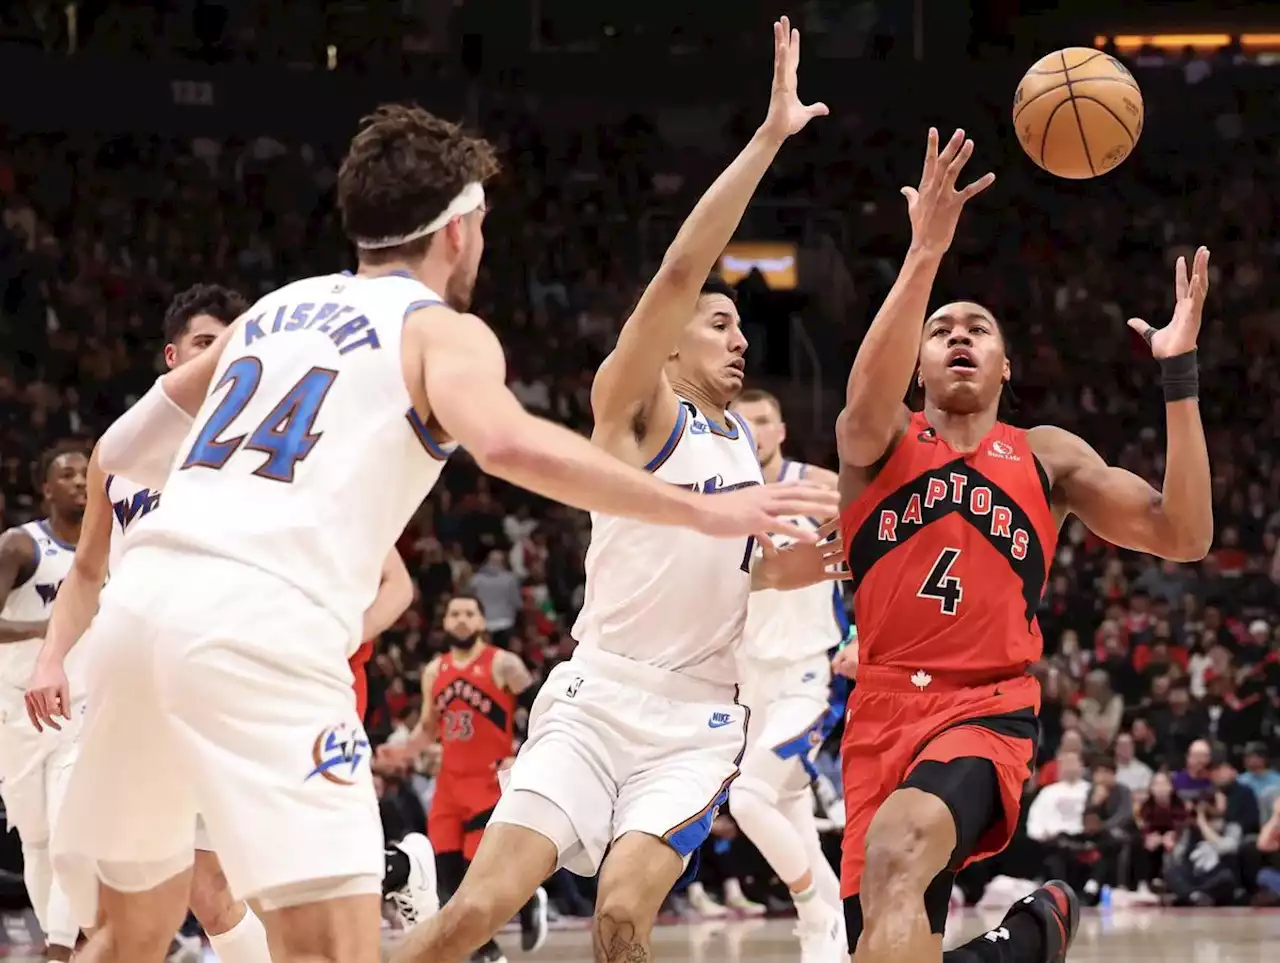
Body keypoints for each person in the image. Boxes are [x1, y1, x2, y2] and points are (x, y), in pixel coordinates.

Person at [42, 95, 832, 963]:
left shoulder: (270, 311)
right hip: (260, 623)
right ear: (460, 229)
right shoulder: (439, 332)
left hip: (137, 612)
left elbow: (117, 451)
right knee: (333, 950)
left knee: (124, 937)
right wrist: (703, 508)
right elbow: (502, 441)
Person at [392, 18, 841, 963]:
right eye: (719, 323)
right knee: (475, 912)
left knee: (622, 919)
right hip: (598, 697)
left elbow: (735, 575)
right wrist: (766, 142)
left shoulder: (737, 448)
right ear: (672, 339)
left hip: (699, 718)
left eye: (741, 328)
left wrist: (816, 563)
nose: (739, 338)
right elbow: (681, 271)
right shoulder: (634, 414)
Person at [835, 125, 1213, 963]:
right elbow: (864, 400)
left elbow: (1185, 534)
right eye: (941, 330)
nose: (960, 335)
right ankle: (1025, 940)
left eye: (979, 329)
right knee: (888, 944)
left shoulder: (1045, 454)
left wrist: (1177, 374)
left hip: (983, 707)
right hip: (880, 711)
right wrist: (925, 252)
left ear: (1007, 366)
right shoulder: (877, 440)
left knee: (898, 859)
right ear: (917, 362)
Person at [729, 388, 848, 957]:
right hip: (744, 682)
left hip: (807, 675)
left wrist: (861, 637)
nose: (752, 430)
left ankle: (813, 919)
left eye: (763, 420)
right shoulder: (718, 496)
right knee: (796, 828)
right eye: (741, 421)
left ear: (780, 431)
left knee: (748, 800)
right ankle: (851, 945)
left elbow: (882, 559)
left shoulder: (819, 487)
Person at [380, 593, 548, 963]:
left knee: (481, 878)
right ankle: (485, 954)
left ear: (482, 623)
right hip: (449, 786)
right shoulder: (434, 671)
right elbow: (427, 728)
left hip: (488, 782)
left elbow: (541, 706)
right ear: (444, 622)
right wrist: (402, 753)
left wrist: (523, 747)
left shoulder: (504, 664)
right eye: (454, 612)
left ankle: (528, 898)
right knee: (444, 881)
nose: (461, 619)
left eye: (469, 613)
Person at [0, 444, 87, 962]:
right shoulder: (19, 546)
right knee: (37, 840)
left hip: (81, 708)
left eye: (86, 472)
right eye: (67, 474)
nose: (80, 481)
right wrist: (48, 627)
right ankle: (61, 943)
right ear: (46, 489)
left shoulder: (110, 547)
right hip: (16, 712)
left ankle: (58, 951)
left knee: (70, 835)